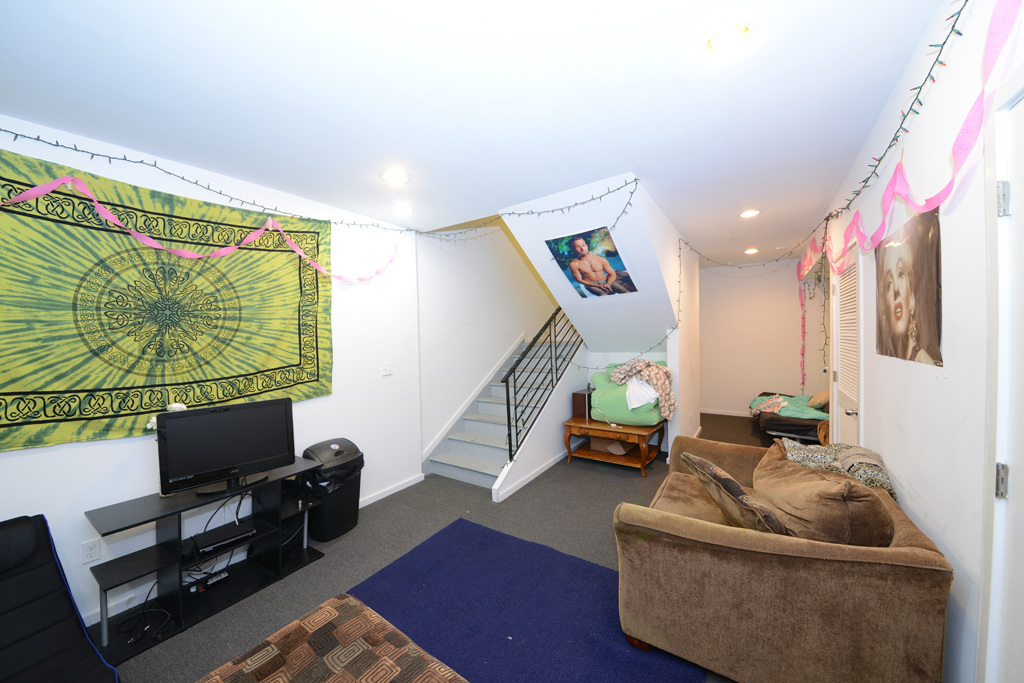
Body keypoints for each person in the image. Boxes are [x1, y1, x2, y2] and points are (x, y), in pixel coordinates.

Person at [875, 234, 940, 365]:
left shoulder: (923, 361)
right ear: (884, 311)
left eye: (900, 274)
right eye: (889, 284)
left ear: (910, 297)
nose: (896, 289)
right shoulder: (888, 361)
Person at [567, 236, 632, 296]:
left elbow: (612, 274)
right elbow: (579, 280)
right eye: (577, 247)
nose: (582, 248)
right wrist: (597, 286)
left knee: (627, 292)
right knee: (603, 295)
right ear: (573, 249)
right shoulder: (574, 264)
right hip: (591, 285)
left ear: (586, 245)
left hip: (606, 282)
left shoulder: (600, 259)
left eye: (583, 245)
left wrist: (608, 283)